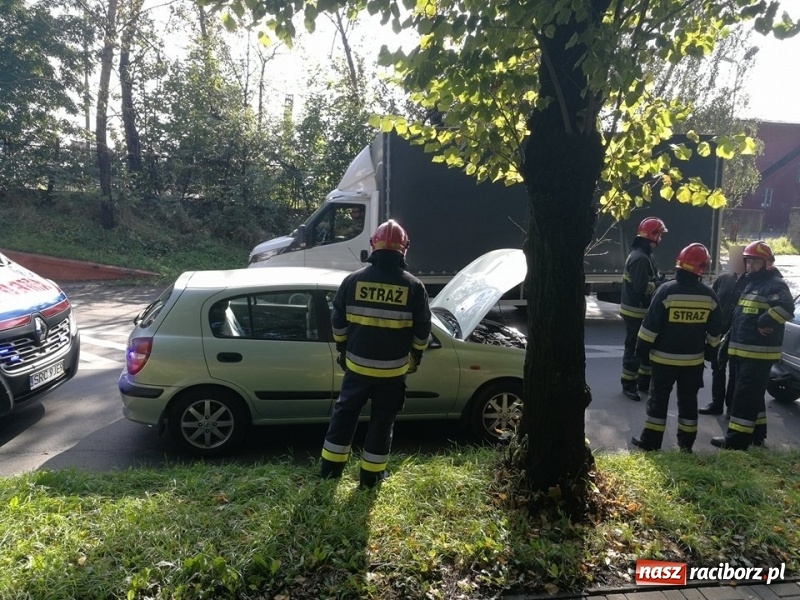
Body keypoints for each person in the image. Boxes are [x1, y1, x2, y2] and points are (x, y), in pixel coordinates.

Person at [319, 219, 432, 488]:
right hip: (393, 372)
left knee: (344, 415)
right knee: (383, 421)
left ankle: (330, 472)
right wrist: (416, 356)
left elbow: (337, 322)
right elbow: (422, 330)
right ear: (404, 249)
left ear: (374, 246)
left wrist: (343, 348)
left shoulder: (353, 281)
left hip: (356, 368)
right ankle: (371, 478)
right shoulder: (414, 287)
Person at [631, 243, 722, 452]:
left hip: (663, 361)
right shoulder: (709, 295)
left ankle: (651, 442)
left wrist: (641, 349)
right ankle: (686, 445)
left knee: (658, 401)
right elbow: (715, 330)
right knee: (689, 403)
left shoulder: (666, 290)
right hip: (693, 363)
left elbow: (650, 325)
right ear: (702, 268)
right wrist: (711, 350)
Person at [712, 240, 794, 450]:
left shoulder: (774, 284)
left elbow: (786, 308)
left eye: (755, 262)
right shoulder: (752, 283)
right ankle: (757, 434)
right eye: (748, 262)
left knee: (744, 396)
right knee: (754, 396)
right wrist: (727, 342)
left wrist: (765, 320)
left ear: (767, 263)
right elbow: (740, 317)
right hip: (743, 351)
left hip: (758, 354)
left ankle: (736, 441)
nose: (750, 267)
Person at [619, 217, 668, 401]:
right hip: (636, 312)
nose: (660, 239)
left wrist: (658, 280)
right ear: (652, 236)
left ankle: (643, 383)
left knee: (646, 347)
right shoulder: (640, 258)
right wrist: (659, 284)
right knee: (634, 348)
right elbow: (642, 287)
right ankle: (629, 384)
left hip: (642, 311)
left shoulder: (645, 254)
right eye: (659, 235)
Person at [699, 247, 747, 415]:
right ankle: (716, 403)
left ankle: (731, 408)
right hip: (720, 332)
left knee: (734, 373)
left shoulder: (751, 282)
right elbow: (712, 302)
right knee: (717, 369)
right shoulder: (723, 279)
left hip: (739, 335)